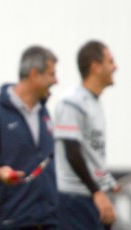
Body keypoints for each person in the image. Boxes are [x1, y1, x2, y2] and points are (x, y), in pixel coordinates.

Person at [0, 45, 59, 230]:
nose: (56, 80)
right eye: (51, 74)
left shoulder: (44, 113)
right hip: (6, 223)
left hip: (47, 222)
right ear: (34, 74)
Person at [54, 40, 121, 230]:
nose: (116, 67)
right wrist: (97, 192)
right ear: (95, 67)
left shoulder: (94, 102)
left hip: (91, 195)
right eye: (110, 61)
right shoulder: (72, 102)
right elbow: (72, 151)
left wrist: (107, 181)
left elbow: (90, 153)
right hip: (74, 199)